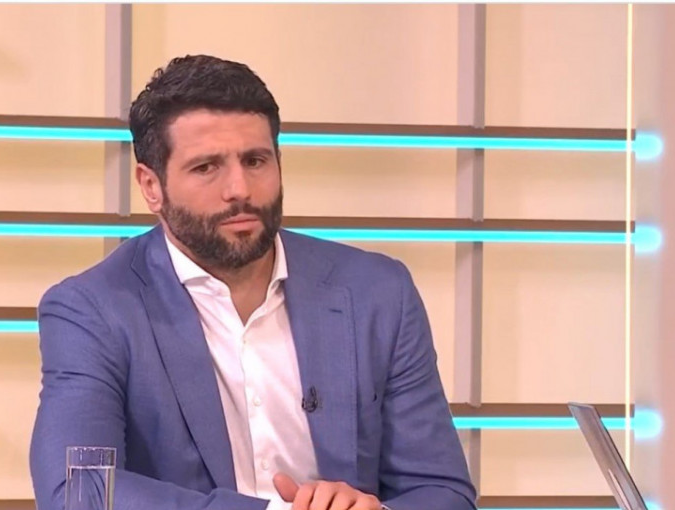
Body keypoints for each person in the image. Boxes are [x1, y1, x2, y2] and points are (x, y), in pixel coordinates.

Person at [30, 54, 476, 510]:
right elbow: (80, 493)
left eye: (255, 160)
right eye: (207, 167)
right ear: (151, 186)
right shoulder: (93, 310)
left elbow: (444, 493)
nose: (239, 189)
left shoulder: (376, 293)